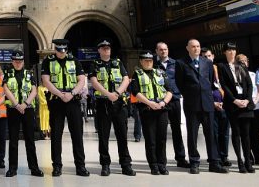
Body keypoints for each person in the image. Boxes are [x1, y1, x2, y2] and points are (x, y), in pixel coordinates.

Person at [174, 38, 227, 174]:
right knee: (192, 134)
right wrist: (192, 93)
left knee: (211, 134)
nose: (196, 49)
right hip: (192, 104)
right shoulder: (181, 63)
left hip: (207, 103)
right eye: (193, 46)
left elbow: (209, 81)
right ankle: (194, 162)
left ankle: (214, 162)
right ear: (188, 48)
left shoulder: (207, 62)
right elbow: (180, 83)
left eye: (198, 46)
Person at [41, 38, 89, 177]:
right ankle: (56, 166)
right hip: (56, 101)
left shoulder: (74, 61)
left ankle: (80, 166)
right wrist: (60, 94)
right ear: (55, 50)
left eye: (63, 51)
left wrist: (72, 93)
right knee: (56, 135)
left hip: (73, 101)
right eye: (58, 51)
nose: (61, 53)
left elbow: (81, 80)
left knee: (77, 135)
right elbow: (45, 80)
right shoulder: (48, 61)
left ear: (67, 50)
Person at [89, 38, 135, 176]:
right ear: (99, 50)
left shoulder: (118, 62)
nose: (106, 49)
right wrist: (108, 94)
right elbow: (93, 81)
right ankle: (105, 164)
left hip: (119, 104)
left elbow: (126, 79)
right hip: (103, 104)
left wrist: (117, 93)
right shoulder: (94, 64)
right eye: (103, 48)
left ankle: (126, 165)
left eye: (108, 48)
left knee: (122, 136)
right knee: (103, 137)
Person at [129, 50, 172, 175]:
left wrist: (163, 102)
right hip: (147, 110)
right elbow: (135, 92)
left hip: (162, 109)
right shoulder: (137, 74)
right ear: (141, 62)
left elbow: (169, 90)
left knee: (162, 139)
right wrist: (149, 103)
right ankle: (153, 165)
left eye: (150, 60)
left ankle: (162, 164)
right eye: (146, 60)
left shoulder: (160, 73)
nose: (148, 62)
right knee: (151, 139)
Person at [2, 49, 42, 177]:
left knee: (30, 139)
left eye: (20, 61)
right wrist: (16, 104)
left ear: (23, 61)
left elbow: (34, 91)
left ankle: (34, 168)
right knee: (13, 140)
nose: (18, 63)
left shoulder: (29, 74)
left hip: (28, 109)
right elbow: (6, 89)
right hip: (14, 110)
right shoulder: (8, 73)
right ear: (12, 62)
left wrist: (25, 104)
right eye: (15, 61)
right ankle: (12, 168)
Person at [217, 43, 255, 173]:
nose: (231, 52)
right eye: (229, 50)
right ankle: (239, 161)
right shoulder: (222, 67)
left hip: (245, 104)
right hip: (233, 105)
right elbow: (224, 85)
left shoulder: (242, 65)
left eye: (233, 49)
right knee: (236, 133)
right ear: (224, 52)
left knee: (246, 134)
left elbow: (249, 84)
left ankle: (248, 161)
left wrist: (247, 100)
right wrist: (235, 100)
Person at [155, 42, 189, 168]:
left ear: (168, 50)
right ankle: (160, 160)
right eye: (161, 50)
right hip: (160, 101)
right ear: (157, 51)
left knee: (177, 130)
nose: (163, 51)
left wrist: (180, 93)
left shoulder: (176, 63)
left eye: (165, 49)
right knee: (160, 132)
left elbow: (182, 80)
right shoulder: (153, 65)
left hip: (174, 100)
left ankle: (180, 158)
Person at [203, 47, 230, 166]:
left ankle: (224, 156)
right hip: (211, 106)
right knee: (213, 133)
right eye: (204, 57)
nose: (207, 58)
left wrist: (226, 101)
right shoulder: (201, 71)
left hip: (224, 104)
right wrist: (212, 103)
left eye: (209, 56)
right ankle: (216, 157)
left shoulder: (220, 68)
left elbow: (227, 85)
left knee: (224, 133)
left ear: (213, 56)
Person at [238, 53, 259, 166]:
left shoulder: (254, 74)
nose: (244, 63)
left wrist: (256, 100)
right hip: (244, 108)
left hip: (256, 107)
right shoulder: (236, 75)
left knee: (256, 134)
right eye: (240, 61)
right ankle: (249, 158)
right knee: (246, 134)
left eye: (245, 60)